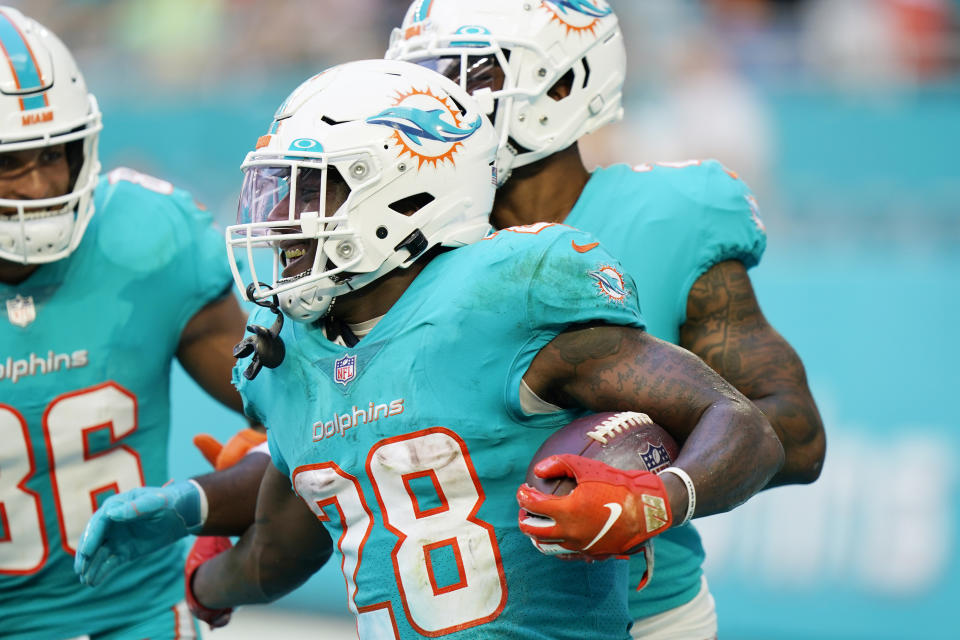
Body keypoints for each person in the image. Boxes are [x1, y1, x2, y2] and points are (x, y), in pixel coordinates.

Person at [75, 58, 783, 638]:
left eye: (310, 191)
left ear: (408, 194)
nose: (281, 221)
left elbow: (743, 423)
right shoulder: (290, 356)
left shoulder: (504, 298)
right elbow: (280, 547)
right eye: (279, 191)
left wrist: (658, 500)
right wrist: (199, 579)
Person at [384, 0, 826, 637]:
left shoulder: (668, 215)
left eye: (466, 76)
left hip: (642, 618)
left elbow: (795, 431)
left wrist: (649, 487)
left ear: (563, 83)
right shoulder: (401, 233)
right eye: (425, 81)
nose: (439, 105)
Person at [0, 7, 266, 639]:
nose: (42, 185)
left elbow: (299, 417)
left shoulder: (150, 241)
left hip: (138, 616)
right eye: (11, 162)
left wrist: (216, 498)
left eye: (56, 153)